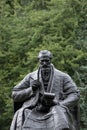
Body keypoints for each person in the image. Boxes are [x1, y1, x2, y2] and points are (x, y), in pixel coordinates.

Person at [10, 50, 80, 130]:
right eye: (42, 61)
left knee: (59, 114)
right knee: (22, 113)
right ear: (38, 61)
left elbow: (75, 94)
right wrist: (31, 90)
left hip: (55, 107)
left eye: (47, 61)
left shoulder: (63, 76)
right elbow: (15, 94)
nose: (44, 63)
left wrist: (61, 104)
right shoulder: (30, 77)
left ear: (51, 60)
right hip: (35, 109)